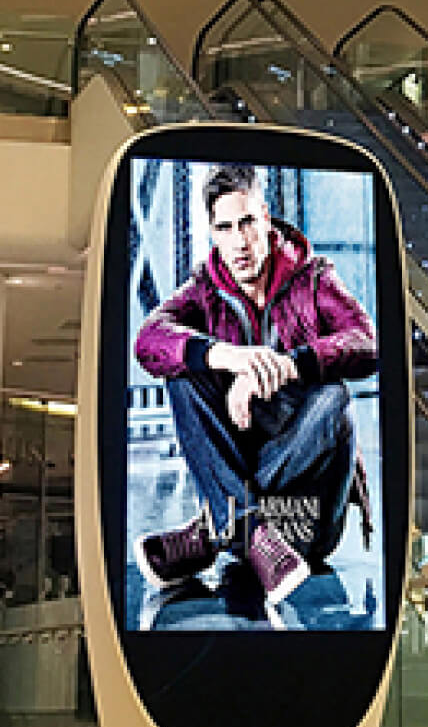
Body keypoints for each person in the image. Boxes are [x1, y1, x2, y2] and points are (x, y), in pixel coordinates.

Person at [133, 163, 377, 626]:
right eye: (225, 227)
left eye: (247, 223)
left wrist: (289, 364)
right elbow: (149, 341)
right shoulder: (204, 292)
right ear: (212, 234)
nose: (240, 241)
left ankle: (219, 528)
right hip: (267, 540)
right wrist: (227, 356)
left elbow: (366, 343)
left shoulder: (313, 278)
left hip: (308, 516)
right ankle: (245, 526)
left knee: (334, 400)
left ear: (266, 218)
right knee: (184, 373)